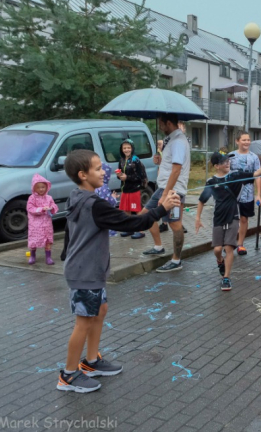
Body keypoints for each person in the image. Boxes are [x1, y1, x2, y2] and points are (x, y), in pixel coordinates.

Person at [58, 149, 179, 393]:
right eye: (97, 168)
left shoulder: (77, 197)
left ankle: (91, 361)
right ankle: (69, 375)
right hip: (84, 271)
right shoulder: (93, 204)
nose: (104, 172)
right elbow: (132, 222)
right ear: (82, 174)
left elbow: (70, 231)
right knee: (83, 321)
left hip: (90, 268)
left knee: (100, 310)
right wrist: (160, 208)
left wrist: (65, 253)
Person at [195, 152, 261, 291]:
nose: (227, 163)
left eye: (228, 161)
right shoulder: (211, 182)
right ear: (216, 166)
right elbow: (202, 200)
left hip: (233, 217)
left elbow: (257, 173)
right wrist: (197, 218)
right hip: (218, 219)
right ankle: (220, 260)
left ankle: (226, 278)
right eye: (223, 161)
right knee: (217, 249)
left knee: (228, 248)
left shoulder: (236, 176)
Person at [141, 113, 191, 272]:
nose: (160, 127)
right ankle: (158, 246)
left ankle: (176, 260)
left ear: (168, 123)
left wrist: (165, 194)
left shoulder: (178, 142)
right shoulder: (171, 140)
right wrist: (160, 161)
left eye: (161, 124)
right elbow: (171, 164)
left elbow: (176, 170)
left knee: (175, 224)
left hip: (173, 191)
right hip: (164, 188)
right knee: (145, 215)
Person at [228, 131, 261, 256]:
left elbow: (258, 176)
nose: (247, 142)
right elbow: (224, 173)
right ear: (237, 141)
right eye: (244, 140)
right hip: (232, 193)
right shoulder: (230, 156)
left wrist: (258, 194)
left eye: (248, 140)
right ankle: (229, 242)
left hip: (247, 193)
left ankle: (240, 244)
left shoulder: (254, 157)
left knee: (243, 218)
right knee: (231, 219)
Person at [116, 139, 147, 239]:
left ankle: (141, 231)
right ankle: (130, 229)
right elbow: (120, 175)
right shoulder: (121, 160)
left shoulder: (136, 160)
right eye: (124, 148)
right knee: (126, 210)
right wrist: (119, 175)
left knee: (137, 210)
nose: (126, 150)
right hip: (125, 189)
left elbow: (141, 176)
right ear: (121, 149)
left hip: (134, 189)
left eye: (128, 147)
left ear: (132, 148)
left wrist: (127, 177)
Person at [26, 174, 58, 265]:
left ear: (47, 187)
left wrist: (51, 208)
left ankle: (48, 257)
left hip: (46, 223)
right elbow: (30, 208)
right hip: (35, 224)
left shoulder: (49, 198)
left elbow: (54, 206)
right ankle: (32, 255)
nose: (41, 189)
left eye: (43, 187)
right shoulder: (32, 198)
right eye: (38, 187)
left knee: (48, 240)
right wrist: (40, 209)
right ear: (34, 188)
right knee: (34, 240)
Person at [95, 163, 118, 237]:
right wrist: (113, 197)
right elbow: (109, 203)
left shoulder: (95, 185)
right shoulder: (103, 187)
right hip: (105, 218)